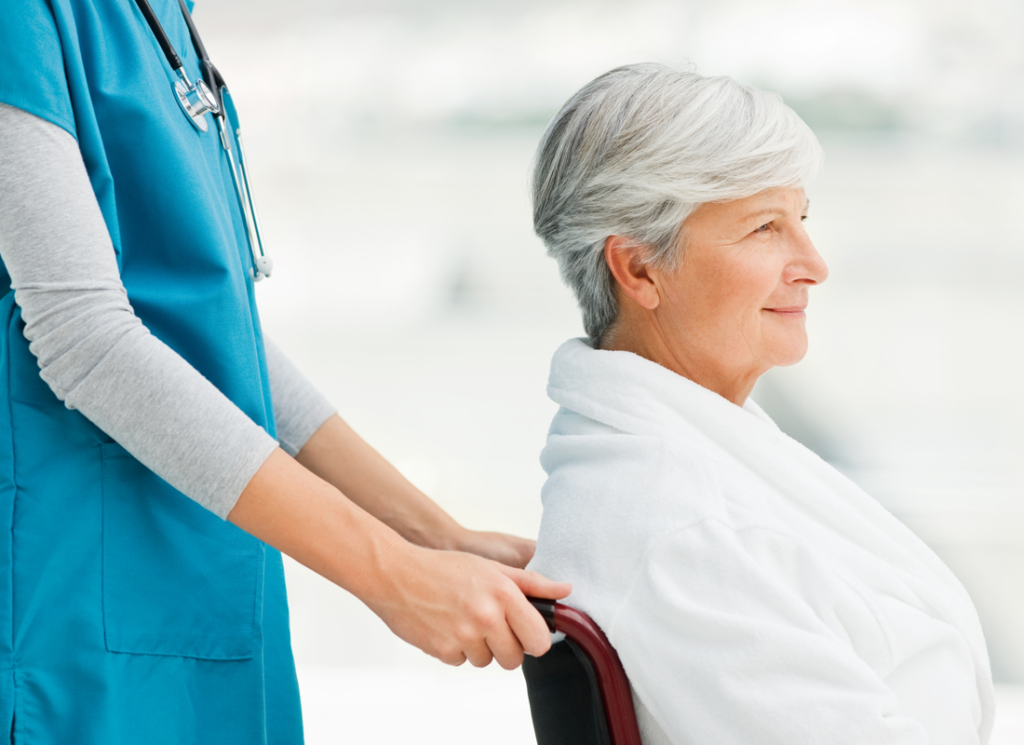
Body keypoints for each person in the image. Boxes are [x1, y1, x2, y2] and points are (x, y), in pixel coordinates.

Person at [0, 0, 569, 742]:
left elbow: (219, 336)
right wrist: (390, 574)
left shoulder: (163, 19)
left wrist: (435, 535)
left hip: (209, 589)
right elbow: (86, 338)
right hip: (76, 610)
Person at [527, 64, 993, 745]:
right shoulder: (684, 532)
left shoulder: (693, 461)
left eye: (801, 218)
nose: (814, 264)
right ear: (639, 268)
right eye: (764, 228)